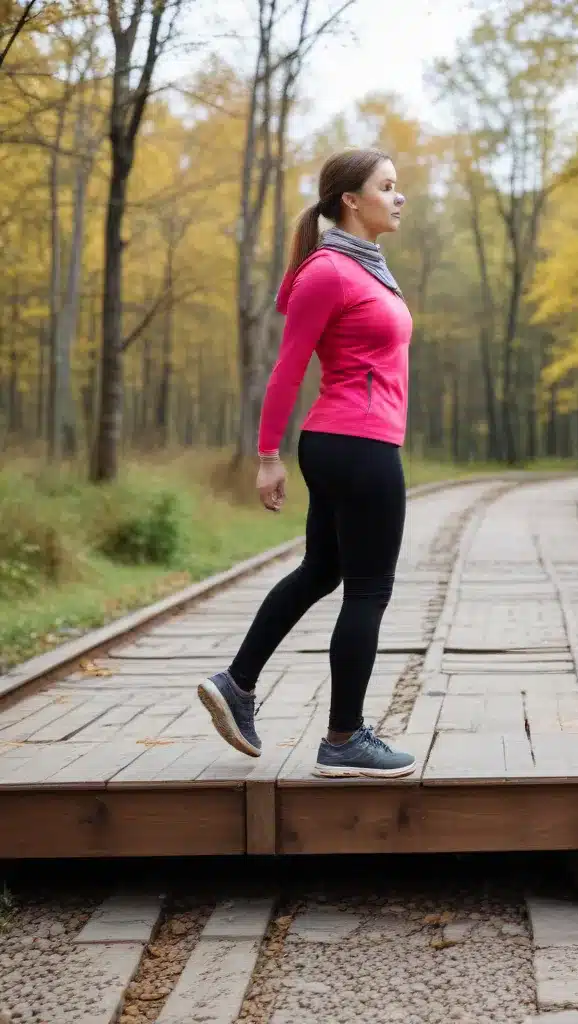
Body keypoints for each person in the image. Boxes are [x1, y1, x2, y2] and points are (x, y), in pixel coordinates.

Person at [197, 148, 417, 779]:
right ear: (351, 199)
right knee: (369, 588)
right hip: (357, 444)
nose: (398, 197)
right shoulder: (331, 272)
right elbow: (288, 368)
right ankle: (344, 737)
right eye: (387, 186)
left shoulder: (364, 269)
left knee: (322, 570)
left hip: (349, 442)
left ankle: (237, 685)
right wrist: (267, 455)